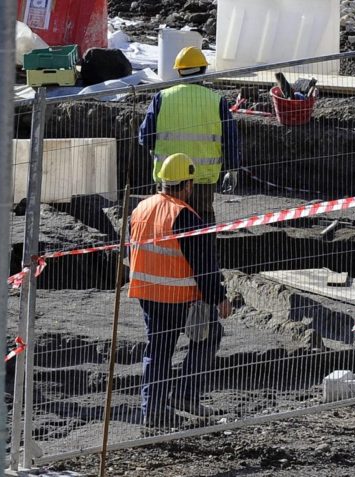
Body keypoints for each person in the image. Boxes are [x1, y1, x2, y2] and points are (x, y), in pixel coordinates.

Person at [128, 153, 232, 427]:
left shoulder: (140, 208)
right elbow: (204, 265)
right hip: (178, 297)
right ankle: (185, 394)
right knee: (210, 335)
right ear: (187, 184)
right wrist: (219, 298)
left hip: (146, 293)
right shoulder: (184, 216)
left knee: (158, 351)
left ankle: (153, 411)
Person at [139, 46, 240, 226]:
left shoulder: (161, 98)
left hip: (168, 180)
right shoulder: (217, 101)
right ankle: (204, 254)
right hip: (202, 180)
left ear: (179, 71)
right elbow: (230, 138)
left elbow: (145, 137)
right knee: (202, 227)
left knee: (167, 225)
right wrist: (232, 169)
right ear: (203, 70)